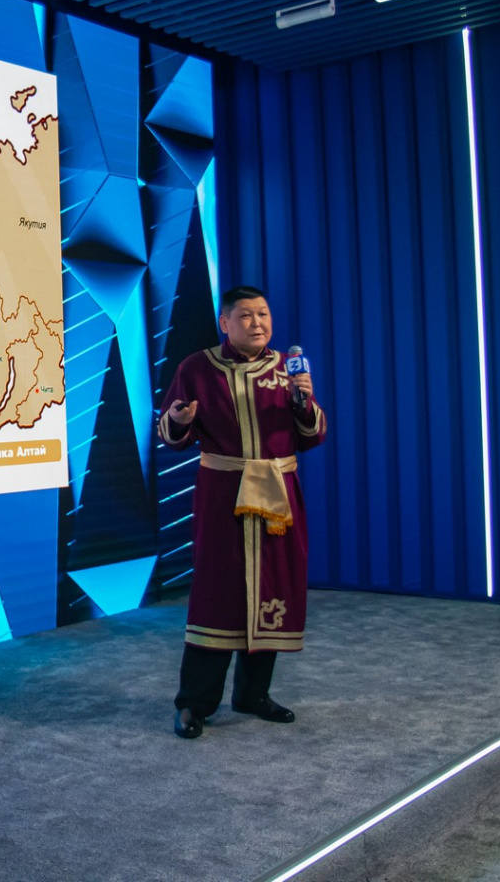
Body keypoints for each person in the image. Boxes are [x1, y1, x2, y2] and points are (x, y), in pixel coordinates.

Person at [157, 285, 327, 739]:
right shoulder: (196, 368)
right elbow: (170, 433)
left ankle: (253, 694)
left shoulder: (287, 369)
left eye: (264, 314)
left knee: (272, 587)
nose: (258, 323)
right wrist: (179, 419)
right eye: (247, 315)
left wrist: (303, 403)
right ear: (225, 323)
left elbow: (312, 435)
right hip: (224, 496)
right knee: (218, 592)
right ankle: (194, 703)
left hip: (277, 496)